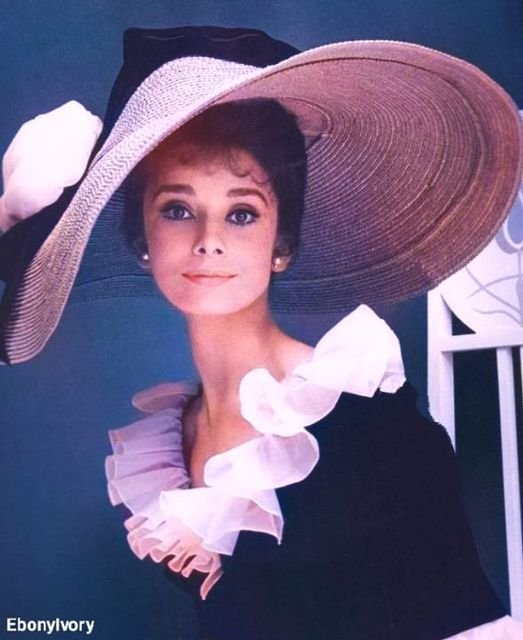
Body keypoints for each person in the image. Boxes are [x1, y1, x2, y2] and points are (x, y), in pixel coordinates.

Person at [1, 25, 522, 640]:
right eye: (177, 209)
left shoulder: (364, 421)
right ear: (142, 239)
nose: (209, 240)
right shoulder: (169, 445)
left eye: (242, 212)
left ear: (283, 243)